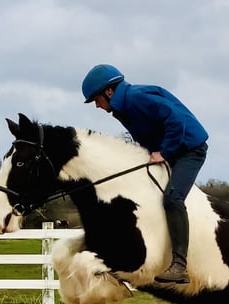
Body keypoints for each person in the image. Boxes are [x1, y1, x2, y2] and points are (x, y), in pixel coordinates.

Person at [82, 64, 208, 284]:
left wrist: (165, 152)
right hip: (173, 149)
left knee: (172, 199)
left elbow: (176, 119)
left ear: (109, 92)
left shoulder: (136, 98)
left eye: (96, 99)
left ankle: (180, 265)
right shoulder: (123, 106)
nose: (97, 106)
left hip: (190, 151)